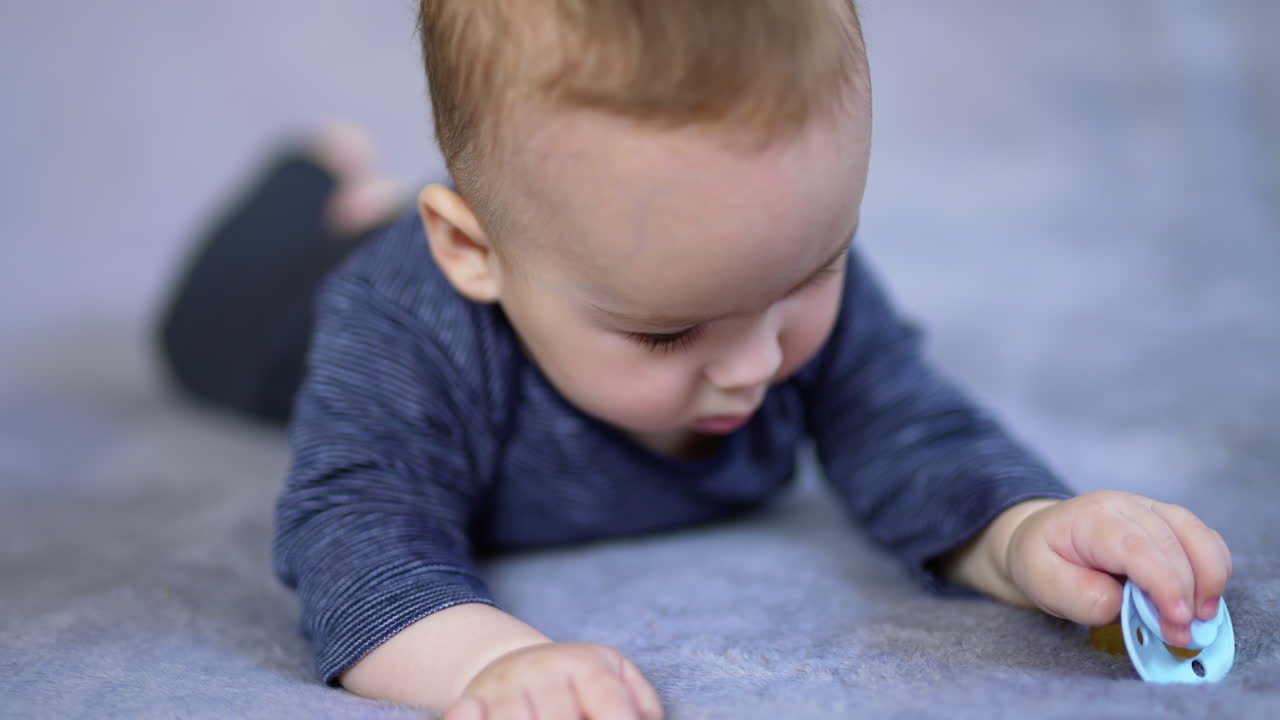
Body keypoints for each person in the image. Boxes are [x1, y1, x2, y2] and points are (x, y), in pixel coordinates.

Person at [156, 2, 1233, 718]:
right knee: (205, 328)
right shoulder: (396, 329)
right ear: (470, 252)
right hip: (286, 316)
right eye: (667, 332)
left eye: (811, 272)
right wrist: (487, 666)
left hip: (532, 237)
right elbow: (353, 534)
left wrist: (1025, 533)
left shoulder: (749, 264)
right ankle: (315, 172)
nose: (756, 365)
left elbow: (905, 428)